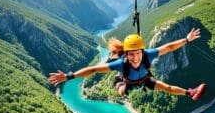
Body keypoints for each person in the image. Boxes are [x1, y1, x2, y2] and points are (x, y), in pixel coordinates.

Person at [48, 28, 205, 101]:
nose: (135, 57)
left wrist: (186, 40)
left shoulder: (147, 55)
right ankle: (123, 89)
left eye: (138, 53)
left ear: (142, 52)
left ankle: (190, 92)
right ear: (126, 54)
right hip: (126, 81)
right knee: (123, 91)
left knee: (168, 88)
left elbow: (168, 47)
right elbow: (93, 69)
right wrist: (69, 76)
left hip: (144, 79)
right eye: (131, 54)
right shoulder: (121, 64)